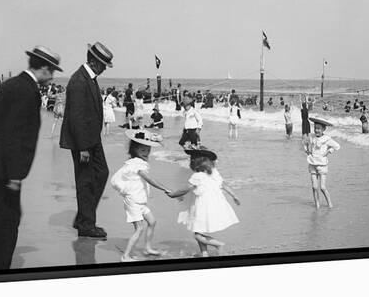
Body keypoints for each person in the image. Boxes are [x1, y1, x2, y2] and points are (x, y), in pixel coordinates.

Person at [0, 45, 62, 271]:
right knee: (9, 219)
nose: (52, 77)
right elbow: (15, 135)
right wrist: (14, 174)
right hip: (6, 169)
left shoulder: (12, 85)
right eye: (51, 71)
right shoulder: (27, 90)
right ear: (43, 68)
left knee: (6, 216)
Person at [60, 41, 114, 239]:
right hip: (83, 141)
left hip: (92, 138)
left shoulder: (89, 78)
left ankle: (84, 217)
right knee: (85, 181)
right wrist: (82, 148)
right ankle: (86, 225)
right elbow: (76, 117)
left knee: (101, 173)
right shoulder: (79, 81)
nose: (103, 70)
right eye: (102, 65)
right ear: (93, 61)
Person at [167, 148, 240, 257]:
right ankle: (204, 254)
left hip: (202, 207)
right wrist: (234, 195)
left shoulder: (197, 176)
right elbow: (223, 184)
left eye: (191, 160)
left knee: (197, 234)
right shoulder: (214, 173)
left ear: (195, 163)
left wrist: (174, 194)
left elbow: (186, 188)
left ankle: (219, 245)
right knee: (200, 231)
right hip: (214, 205)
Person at [110, 130, 170, 261]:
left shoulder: (136, 161)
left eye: (148, 149)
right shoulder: (137, 163)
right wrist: (165, 188)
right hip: (134, 201)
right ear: (135, 149)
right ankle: (125, 256)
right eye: (142, 149)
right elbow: (148, 179)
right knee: (139, 229)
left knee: (152, 222)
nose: (146, 151)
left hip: (139, 200)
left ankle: (148, 247)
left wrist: (158, 139)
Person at [302, 117, 340, 209]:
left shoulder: (327, 139)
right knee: (314, 187)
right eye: (315, 128)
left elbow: (337, 146)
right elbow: (305, 144)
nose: (316, 130)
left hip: (322, 165)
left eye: (319, 128)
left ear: (323, 129)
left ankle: (330, 204)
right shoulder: (312, 137)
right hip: (312, 164)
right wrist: (307, 150)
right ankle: (317, 205)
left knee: (322, 187)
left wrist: (328, 152)